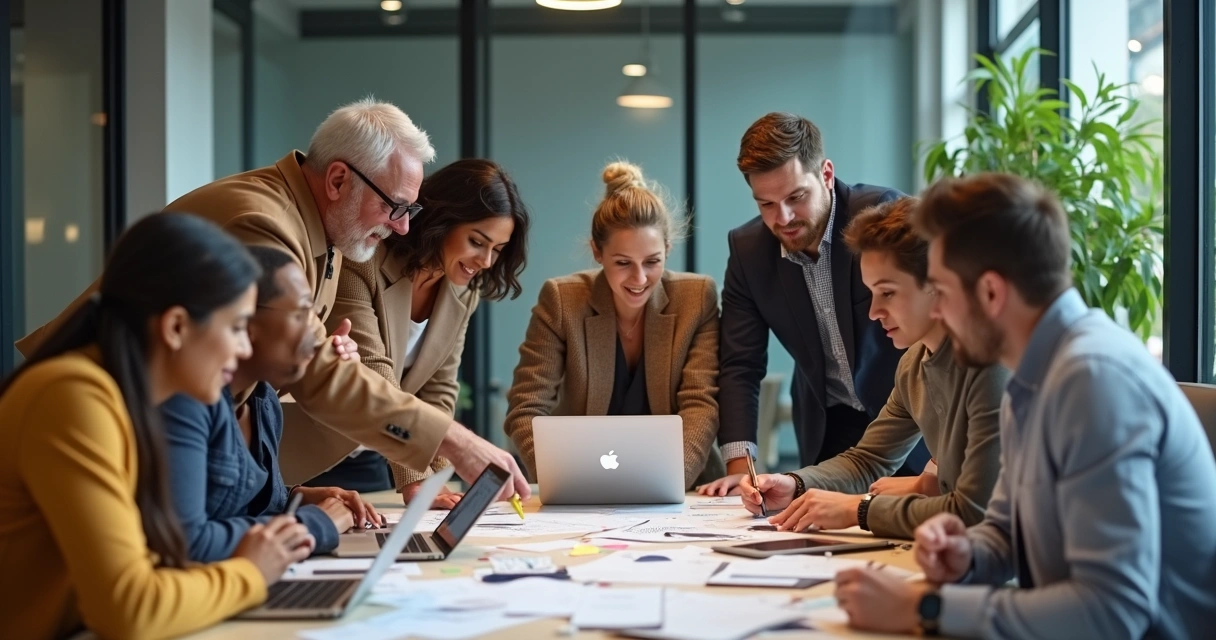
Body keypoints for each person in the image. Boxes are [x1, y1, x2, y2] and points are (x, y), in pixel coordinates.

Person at [14, 98, 530, 502]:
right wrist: (456, 441)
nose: (400, 226)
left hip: (163, 440)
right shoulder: (265, 223)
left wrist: (280, 499)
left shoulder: (321, 233)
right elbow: (310, 371)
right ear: (337, 180)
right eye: (394, 206)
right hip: (95, 430)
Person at [834, 173, 1216, 639]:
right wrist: (966, 554)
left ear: (991, 293)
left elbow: (1113, 611)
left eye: (944, 292)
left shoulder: (1092, 381)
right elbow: (1003, 531)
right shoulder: (1033, 375)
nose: (938, 312)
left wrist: (927, 606)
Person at [0, 214, 313, 640]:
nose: (243, 348)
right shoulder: (72, 396)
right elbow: (131, 608)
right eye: (237, 327)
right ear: (177, 327)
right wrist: (250, 573)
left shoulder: (123, 397)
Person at [737, 196, 1004, 539]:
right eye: (871, 294)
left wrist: (858, 509)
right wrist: (794, 483)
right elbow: (869, 459)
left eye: (887, 293)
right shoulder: (914, 363)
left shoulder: (991, 364)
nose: (874, 311)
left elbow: (972, 512)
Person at [700, 112, 927, 496]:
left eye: (795, 197)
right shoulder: (748, 251)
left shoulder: (879, 217)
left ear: (825, 174)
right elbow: (741, 363)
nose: (783, 218)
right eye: (766, 204)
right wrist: (743, 470)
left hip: (911, 420)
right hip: (829, 426)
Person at [288, 158, 530, 507]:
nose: (487, 261)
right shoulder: (362, 261)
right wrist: (416, 480)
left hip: (377, 457)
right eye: (477, 242)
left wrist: (438, 480)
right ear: (441, 222)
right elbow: (373, 371)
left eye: (498, 249)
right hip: (311, 456)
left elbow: (439, 389)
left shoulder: (463, 292)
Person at [505, 161, 725, 489]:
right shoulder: (563, 301)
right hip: (579, 483)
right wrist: (563, 479)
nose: (639, 279)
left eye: (652, 262)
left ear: (667, 249)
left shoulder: (697, 298)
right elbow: (527, 408)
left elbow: (700, 405)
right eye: (622, 263)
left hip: (685, 487)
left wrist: (669, 483)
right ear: (597, 252)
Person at [162, 246, 385, 564]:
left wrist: (298, 498)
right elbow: (190, 542)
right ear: (247, 324)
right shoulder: (185, 406)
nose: (312, 333)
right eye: (299, 315)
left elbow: (246, 504)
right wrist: (317, 524)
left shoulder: (264, 401)